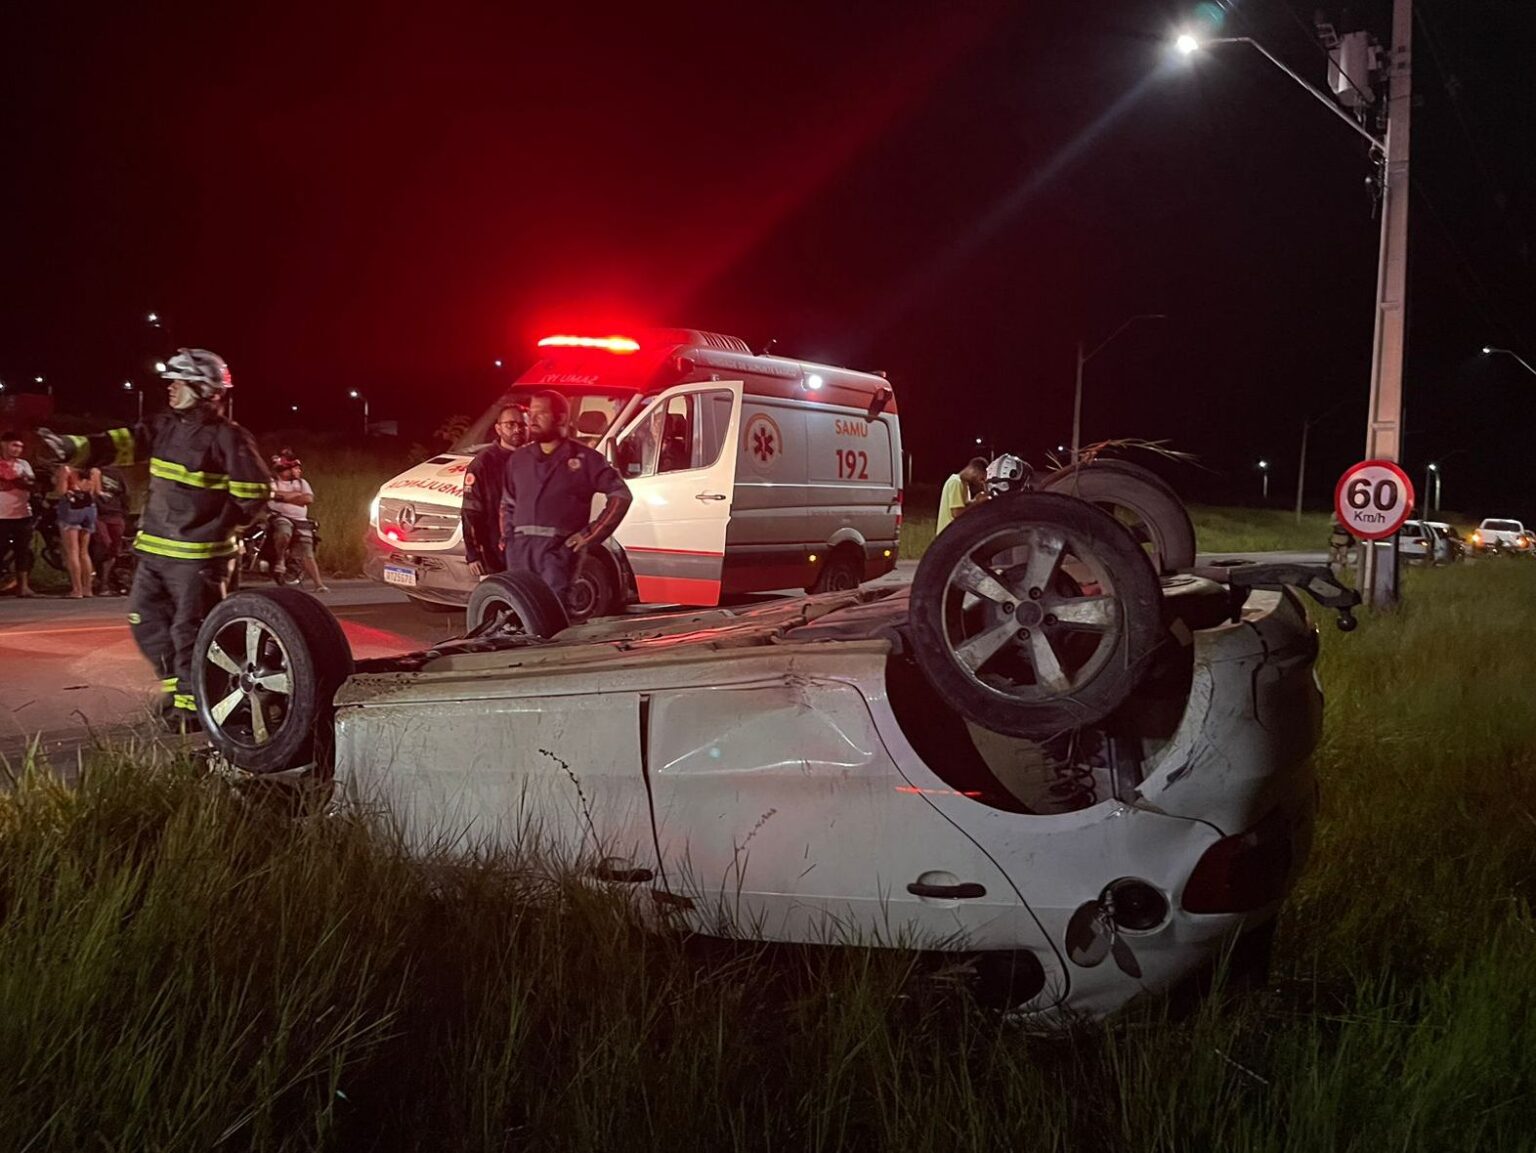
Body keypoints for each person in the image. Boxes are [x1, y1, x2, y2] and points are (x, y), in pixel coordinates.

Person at [38, 349, 271, 729]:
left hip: (199, 558)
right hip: (155, 550)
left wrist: (216, 527)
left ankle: (198, 707)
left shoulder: (229, 438)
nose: (171, 388)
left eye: (179, 382)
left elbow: (254, 491)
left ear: (204, 388)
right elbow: (120, 442)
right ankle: (184, 693)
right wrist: (72, 448)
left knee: (190, 631)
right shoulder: (164, 427)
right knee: (145, 621)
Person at [501, 390, 631, 604]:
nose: (532, 419)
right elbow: (507, 503)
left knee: (554, 618)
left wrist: (589, 535)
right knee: (519, 615)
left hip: (558, 554)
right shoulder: (519, 459)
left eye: (541, 413)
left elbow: (621, 496)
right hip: (520, 554)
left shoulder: (585, 460)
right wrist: (509, 539)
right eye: (530, 413)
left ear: (560, 418)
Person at [462, 404, 526, 577]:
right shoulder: (483, 463)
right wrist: (473, 553)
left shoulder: (532, 459)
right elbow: (471, 511)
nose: (517, 429)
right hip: (493, 554)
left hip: (526, 551)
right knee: (496, 602)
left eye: (521, 424)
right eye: (510, 424)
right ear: (498, 428)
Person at [267, 450, 329, 592]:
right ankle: (280, 559)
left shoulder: (303, 482)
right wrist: (296, 497)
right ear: (284, 470)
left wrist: (284, 496)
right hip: (281, 516)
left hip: (301, 520)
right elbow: (273, 495)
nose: (298, 471)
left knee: (307, 551)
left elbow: (308, 499)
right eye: (294, 468)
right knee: (284, 533)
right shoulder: (273, 482)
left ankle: (319, 584)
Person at [53, 463, 100, 598]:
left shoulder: (66, 469)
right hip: (89, 509)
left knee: (72, 551)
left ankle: (76, 589)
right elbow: (96, 492)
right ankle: (88, 589)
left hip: (71, 509)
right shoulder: (94, 470)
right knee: (84, 552)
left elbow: (61, 492)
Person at [0, 431, 37, 597]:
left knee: (22, 550)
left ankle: (23, 586)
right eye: (14, 445)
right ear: (4, 444)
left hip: (22, 514)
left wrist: (12, 480)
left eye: (20, 446)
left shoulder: (24, 464)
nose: (17, 449)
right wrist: (17, 481)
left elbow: (31, 483)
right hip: (1, 515)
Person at [91, 463, 131, 595]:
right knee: (104, 544)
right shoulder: (94, 471)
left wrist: (125, 511)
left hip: (116, 513)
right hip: (100, 515)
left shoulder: (116, 473)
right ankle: (99, 579)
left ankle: (106, 581)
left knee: (114, 549)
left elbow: (125, 493)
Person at [936, 456, 990, 533]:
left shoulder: (964, 484)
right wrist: (977, 502)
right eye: (981, 479)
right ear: (973, 471)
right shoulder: (956, 482)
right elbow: (956, 513)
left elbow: (964, 506)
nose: (981, 483)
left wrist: (975, 500)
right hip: (949, 535)